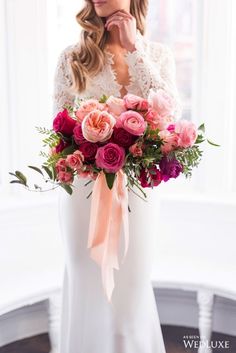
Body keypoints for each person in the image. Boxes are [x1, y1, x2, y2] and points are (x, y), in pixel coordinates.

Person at [53, 0, 182, 352]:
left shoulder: (157, 53)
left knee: (131, 290)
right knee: (86, 285)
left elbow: (170, 111)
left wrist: (133, 49)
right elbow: (59, 130)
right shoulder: (72, 58)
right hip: (82, 194)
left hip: (138, 196)